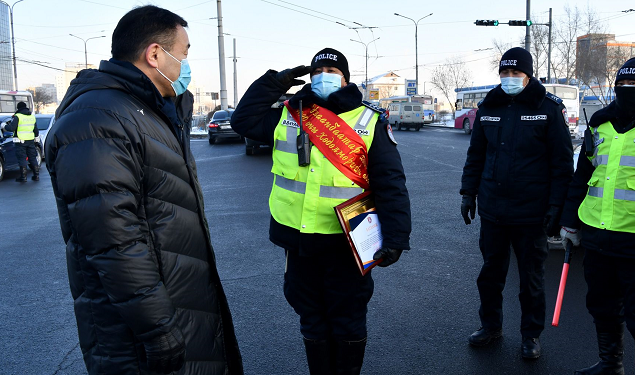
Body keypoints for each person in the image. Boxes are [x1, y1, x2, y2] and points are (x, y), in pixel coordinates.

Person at [45, 6, 242, 374]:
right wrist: (157, 328)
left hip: (176, 303)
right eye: (183, 53)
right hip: (138, 333)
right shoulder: (98, 118)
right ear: (155, 54)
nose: (186, 64)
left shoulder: (143, 110)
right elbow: (114, 241)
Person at [231, 48, 411, 375]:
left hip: (349, 240)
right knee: (310, 316)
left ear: (345, 79)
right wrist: (275, 81)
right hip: (298, 240)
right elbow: (241, 120)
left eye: (332, 70)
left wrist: (397, 236)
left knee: (348, 317)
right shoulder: (289, 112)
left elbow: (391, 181)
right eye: (318, 71)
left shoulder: (368, 119)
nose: (323, 76)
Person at [559, 57, 635, 375]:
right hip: (598, 237)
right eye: (623, 85)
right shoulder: (600, 124)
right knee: (602, 307)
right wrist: (569, 221)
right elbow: (582, 176)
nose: (628, 90)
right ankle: (611, 364)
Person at [460, 47, 573, 359]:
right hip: (493, 209)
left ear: (528, 74)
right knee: (490, 275)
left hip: (531, 211)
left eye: (516, 73)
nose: (510, 78)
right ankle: (491, 326)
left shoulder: (547, 108)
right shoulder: (490, 106)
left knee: (531, 280)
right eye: (505, 73)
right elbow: (476, 155)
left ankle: (531, 335)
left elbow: (562, 164)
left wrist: (555, 208)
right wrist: (468, 193)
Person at [5, 101, 39, 182]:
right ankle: (36, 175)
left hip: (20, 141)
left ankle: (23, 177)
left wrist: (5, 126)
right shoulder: (32, 116)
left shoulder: (18, 116)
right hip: (30, 140)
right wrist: (35, 137)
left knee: (22, 158)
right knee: (32, 157)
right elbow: (36, 131)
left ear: (18, 108)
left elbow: (11, 128)